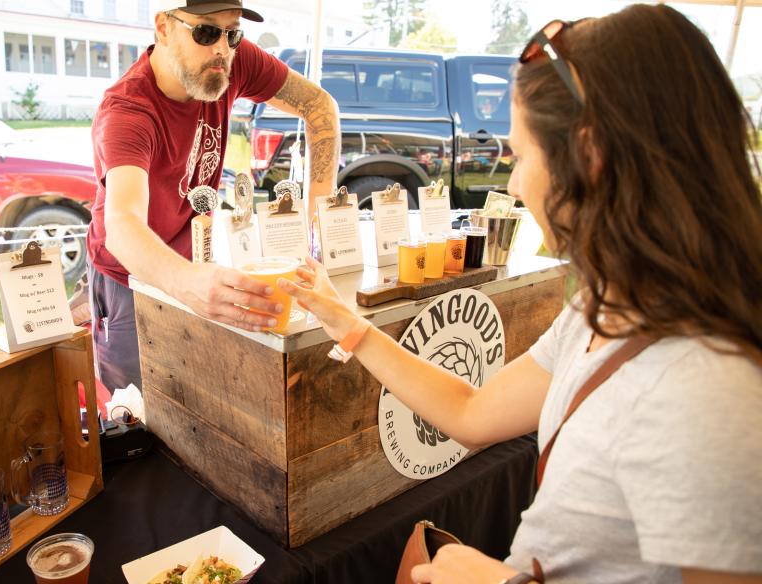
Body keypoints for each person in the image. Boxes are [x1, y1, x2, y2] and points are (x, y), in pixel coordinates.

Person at [278, 4, 762, 583]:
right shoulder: (605, 308)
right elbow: (472, 413)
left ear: (588, 155)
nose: (512, 183)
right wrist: (348, 325)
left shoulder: (709, 393)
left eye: (522, 155)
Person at [86, 0, 340, 391]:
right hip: (127, 278)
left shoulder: (228, 60)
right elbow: (121, 225)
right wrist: (187, 283)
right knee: (139, 412)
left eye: (233, 33)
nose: (222, 48)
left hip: (193, 265)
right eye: (205, 32)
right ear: (164, 27)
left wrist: (317, 233)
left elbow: (320, 107)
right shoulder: (127, 110)